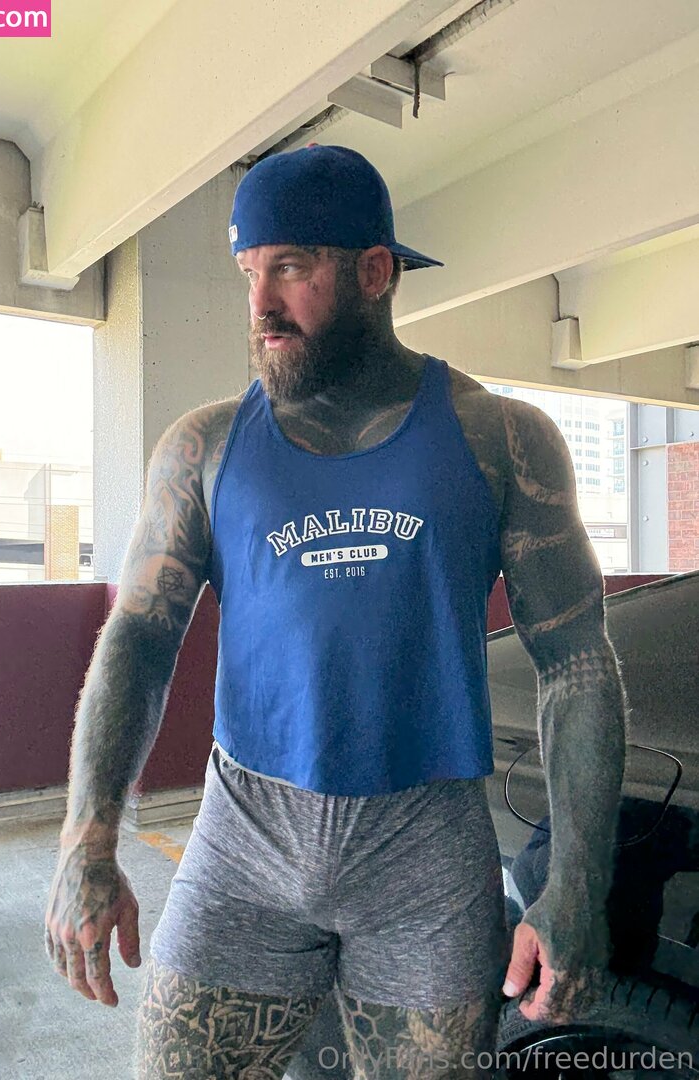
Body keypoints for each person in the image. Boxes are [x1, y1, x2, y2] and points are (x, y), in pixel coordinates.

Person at [45, 145, 627, 1079]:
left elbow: (577, 662)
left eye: (290, 268)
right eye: (248, 271)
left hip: (424, 858)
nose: (260, 304)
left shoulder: (499, 439)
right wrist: (87, 839)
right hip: (246, 844)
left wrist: (577, 885)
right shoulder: (204, 449)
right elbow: (140, 637)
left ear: (374, 271)